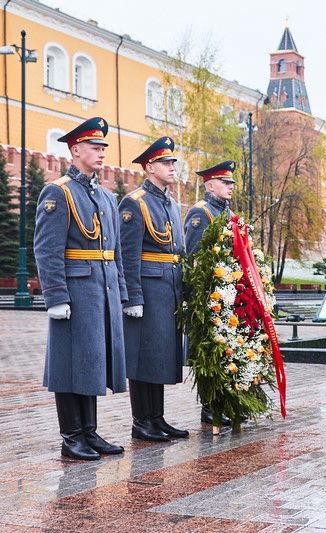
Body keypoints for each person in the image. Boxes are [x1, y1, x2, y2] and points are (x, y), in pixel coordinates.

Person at [34, 117, 127, 460]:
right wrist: (56, 295)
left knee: (91, 361)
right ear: (75, 150)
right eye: (94, 147)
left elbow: (113, 250)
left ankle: (89, 431)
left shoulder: (104, 195)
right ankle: (71, 435)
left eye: (103, 147)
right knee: (69, 363)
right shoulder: (59, 191)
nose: (101, 152)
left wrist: (119, 292)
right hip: (74, 289)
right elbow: (46, 247)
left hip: (100, 289)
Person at [119, 137, 188, 441]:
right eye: (165, 163)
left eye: (173, 163)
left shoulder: (171, 203)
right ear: (149, 167)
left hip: (168, 286)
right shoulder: (134, 202)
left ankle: (156, 418)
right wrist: (133, 296)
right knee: (143, 355)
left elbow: (178, 250)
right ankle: (141, 421)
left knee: (160, 353)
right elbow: (128, 253)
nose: (171, 167)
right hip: (147, 288)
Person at [183, 160, 236, 426]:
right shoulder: (201, 213)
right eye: (225, 183)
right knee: (210, 352)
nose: (230, 187)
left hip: (228, 292)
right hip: (209, 295)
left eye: (232, 183)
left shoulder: (227, 213)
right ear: (210, 185)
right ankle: (210, 407)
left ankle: (225, 401)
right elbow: (194, 256)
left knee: (227, 349)